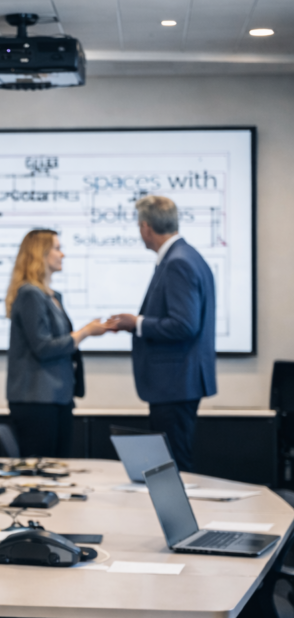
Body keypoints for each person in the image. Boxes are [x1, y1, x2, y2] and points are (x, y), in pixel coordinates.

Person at [108, 195, 216, 472]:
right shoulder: (184, 256)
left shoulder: (178, 262)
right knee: (172, 461)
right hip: (178, 382)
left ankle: (180, 517)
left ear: (146, 227)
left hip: (175, 382)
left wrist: (138, 323)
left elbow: (184, 325)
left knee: (174, 465)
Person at [5, 229, 108, 459]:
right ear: (39, 253)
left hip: (57, 397)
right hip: (37, 400)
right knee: (41, 473)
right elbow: (42, 347)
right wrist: (85, 333)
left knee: (57, 469)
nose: (62, 255)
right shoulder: (30, 294)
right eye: (57, 248)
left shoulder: (51, 296)